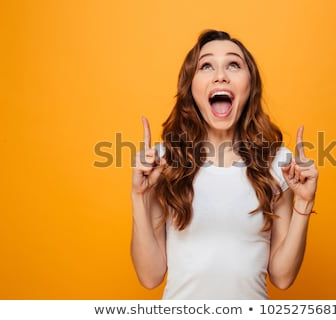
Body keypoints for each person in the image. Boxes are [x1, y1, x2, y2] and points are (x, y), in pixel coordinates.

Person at [130, 30, 318, 299]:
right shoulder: (164, 162)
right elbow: (150, 276)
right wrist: (140, 196)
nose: (220, 75)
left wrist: (304, 204)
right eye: (206, 66)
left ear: (250, 86)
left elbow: (283, 276)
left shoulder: (279, 163)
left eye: (234, 64)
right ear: (191, 88)